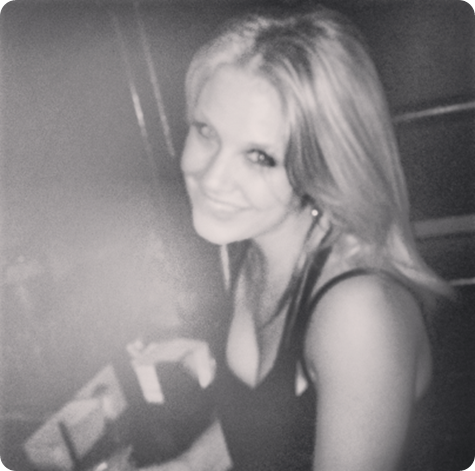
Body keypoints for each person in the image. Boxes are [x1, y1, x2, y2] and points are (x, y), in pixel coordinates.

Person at [141, 5, 451, 471]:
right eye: (206, 132)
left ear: (322, 167)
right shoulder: (249, 245)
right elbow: (265, 420)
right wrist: (187, 464)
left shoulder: (359, 315)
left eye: (260, 157)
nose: (212, 178)